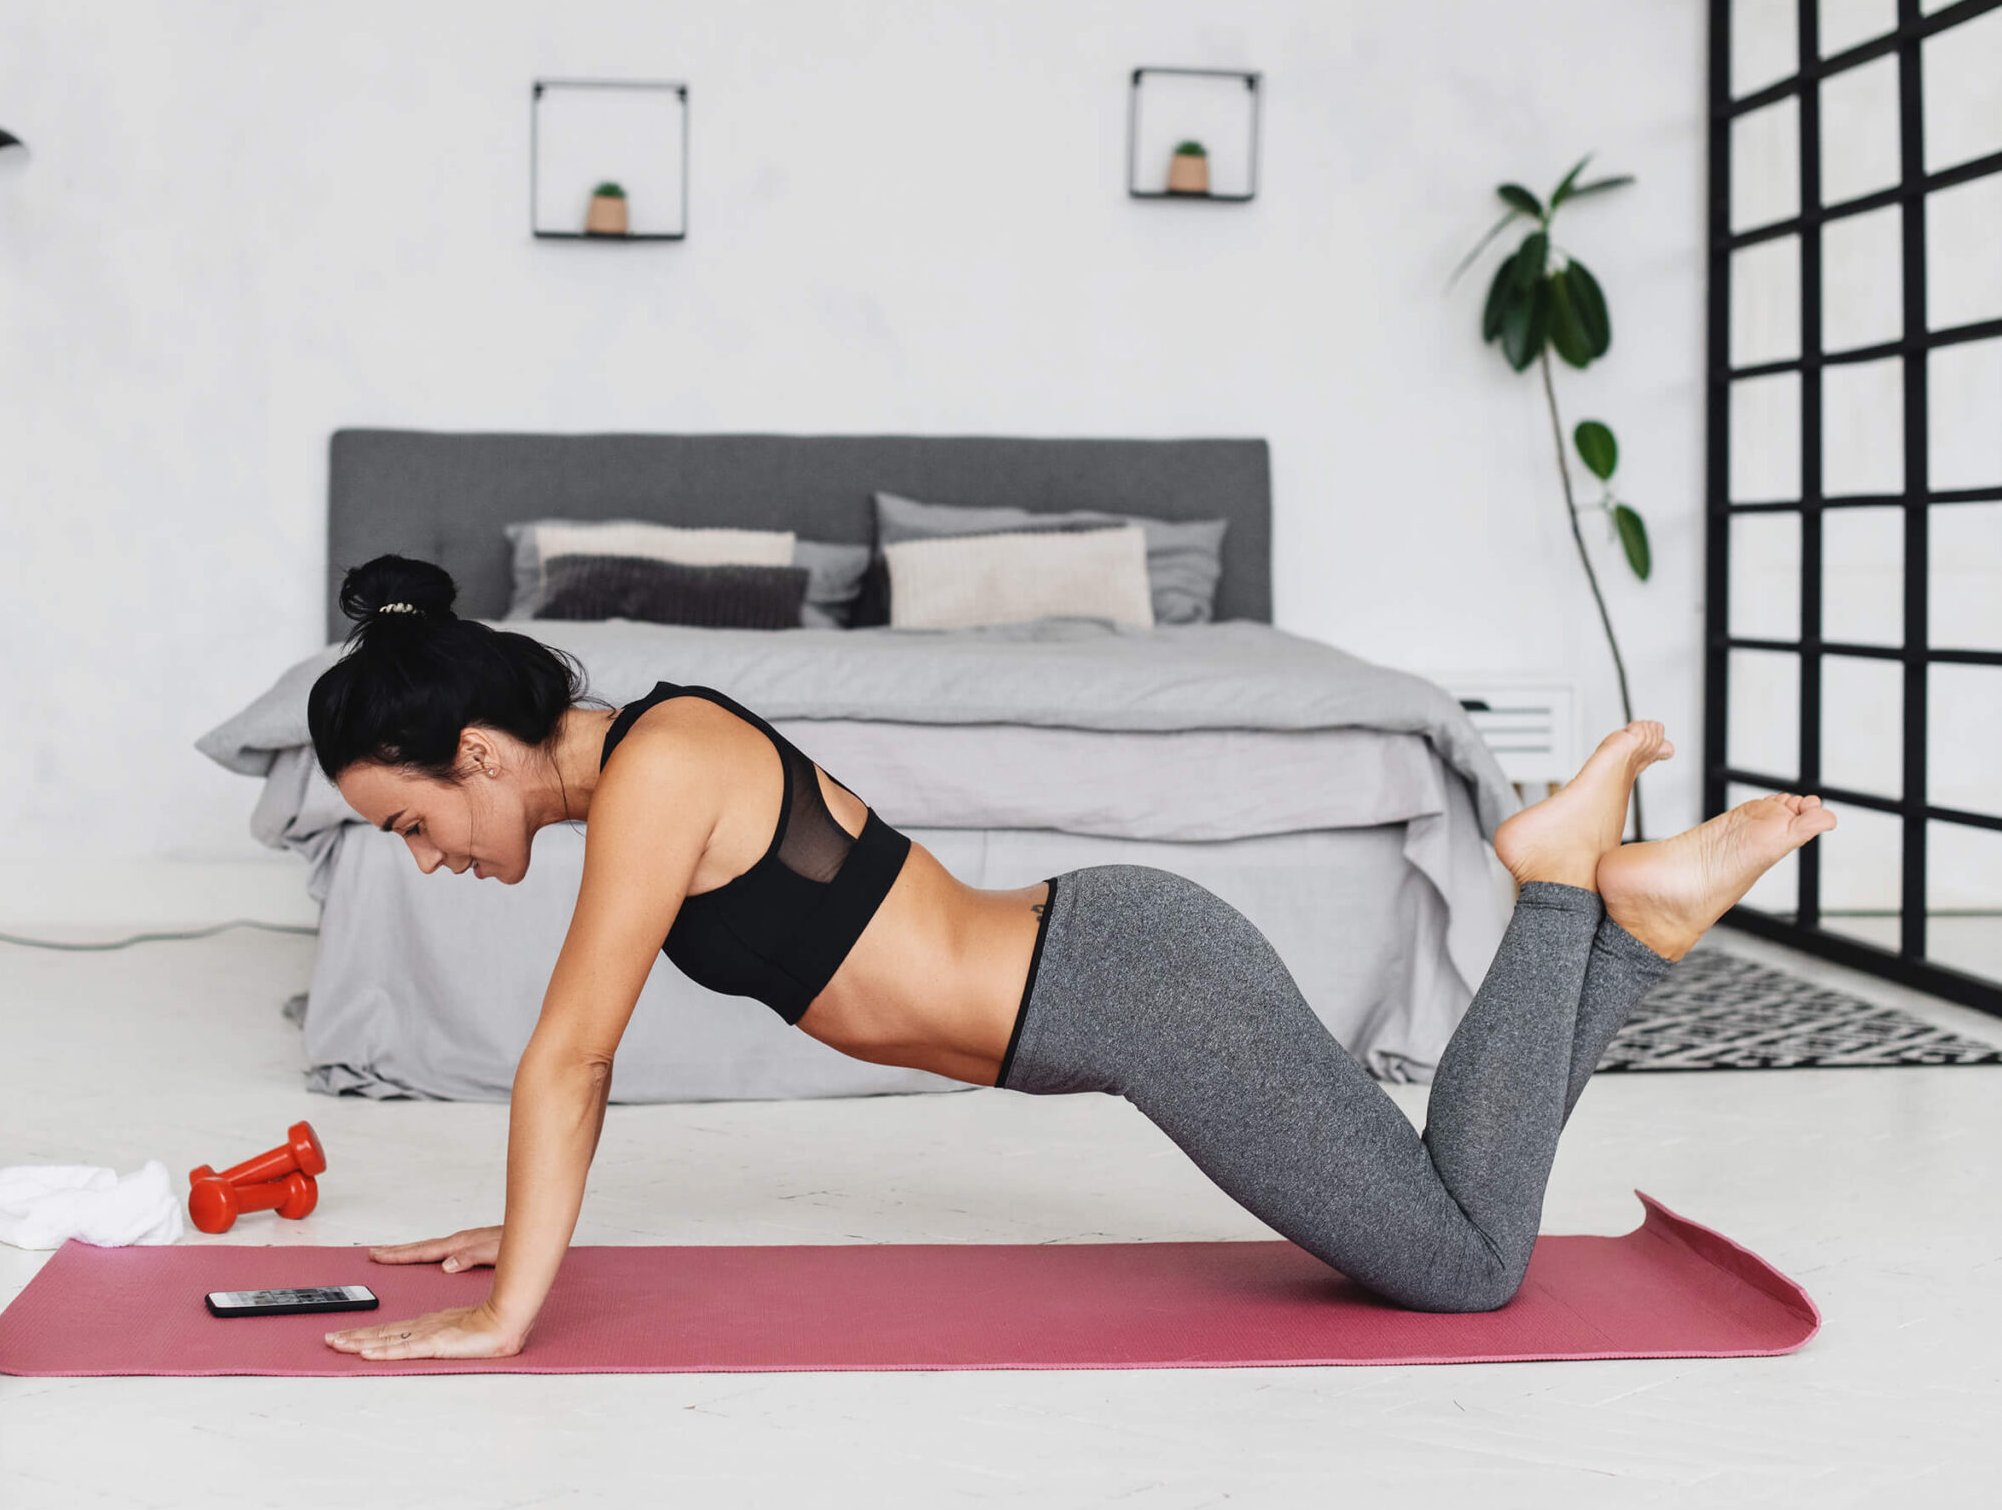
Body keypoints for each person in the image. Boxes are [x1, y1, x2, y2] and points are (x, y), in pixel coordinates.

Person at [308, 555, 1835, 1360]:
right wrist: (519, 1231)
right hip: (1118, 968)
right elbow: (576, 1058)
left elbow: (576, 1050)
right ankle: (1633, 910)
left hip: (1134, 991)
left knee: (1464, 1267)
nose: (425, 856)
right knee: (1456, 1224)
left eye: (409, 818)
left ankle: (1564, 889)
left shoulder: (659, 764)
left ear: (481, 751)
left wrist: (516, 1308)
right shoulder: (648, 761)